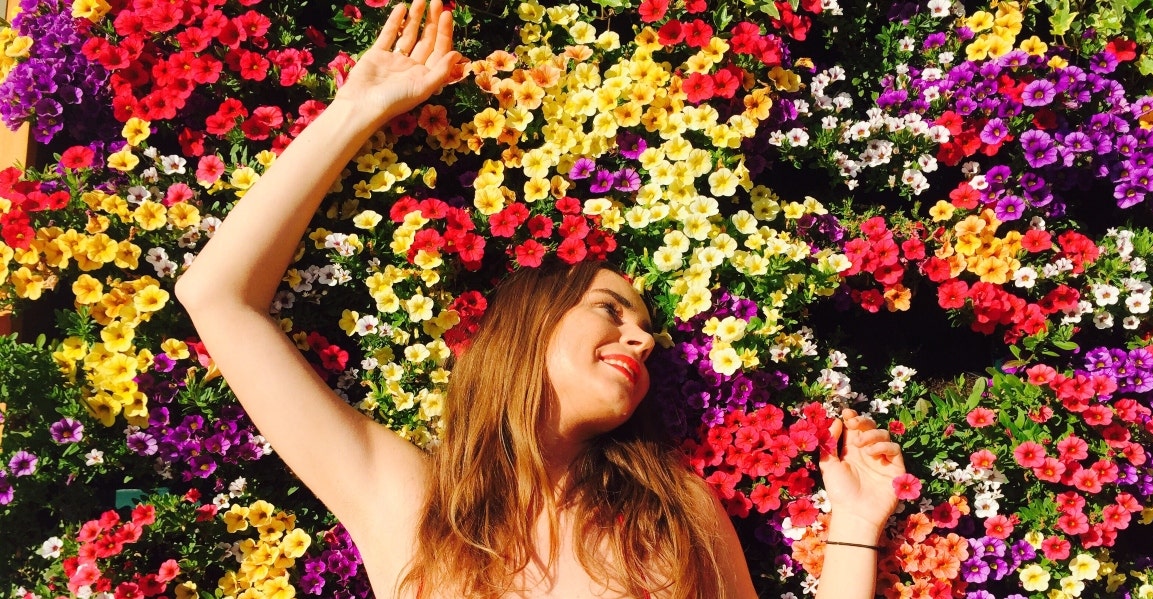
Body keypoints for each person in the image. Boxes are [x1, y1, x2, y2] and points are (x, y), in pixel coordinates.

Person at [174, 2, 906, 597]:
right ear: (529, 324)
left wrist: (856, 523)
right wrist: (355, 111)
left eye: (645, 327)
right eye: (610, 309)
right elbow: (217, 296)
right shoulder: (411, 503)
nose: (642, 339)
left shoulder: (674, 513)